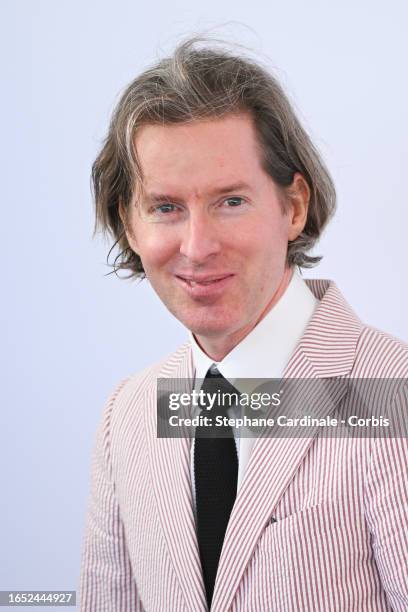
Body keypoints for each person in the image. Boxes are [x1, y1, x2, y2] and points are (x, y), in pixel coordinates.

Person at [79, 37, 408, 611]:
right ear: (128, 226)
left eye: (230, 201)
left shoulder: (392, 393)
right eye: (165, 207)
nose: (197, 246)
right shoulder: (127, 416)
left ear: (294, 206)